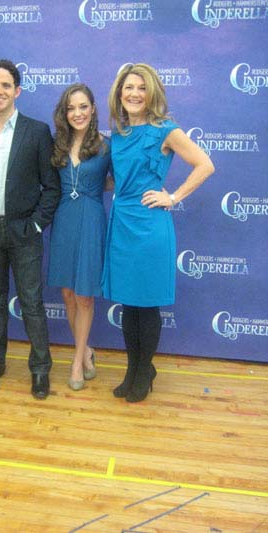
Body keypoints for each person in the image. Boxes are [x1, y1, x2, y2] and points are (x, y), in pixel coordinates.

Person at [102, 63, 214, 402]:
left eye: (141, 88)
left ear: (151, 93)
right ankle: (136, 369)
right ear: (119, 94)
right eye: (128, 87)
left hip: (150, 226)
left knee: (146, 304)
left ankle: (143, 370)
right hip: (121, 223)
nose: (134, 93)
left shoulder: (165, 129)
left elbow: (205, 164)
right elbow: (114, 180)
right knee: (129, 303)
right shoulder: (118, 134)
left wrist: (173, 196)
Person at [0, 59, 60, 399]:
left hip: (24, 233)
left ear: (17, 91)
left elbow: (52, 187)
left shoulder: (36, 132)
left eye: (6, 85)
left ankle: (40, 369)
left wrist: (35, 225)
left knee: (32, 302)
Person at [48, 84, 111, 391]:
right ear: (65, 112)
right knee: (68, 295)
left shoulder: (106, 145)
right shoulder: (57, 144)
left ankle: (77, 361)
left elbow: (120, 180)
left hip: (91, 220)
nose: (78, 113)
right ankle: (85, 350)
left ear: (93, 109)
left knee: (85, 294)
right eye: (72, 108)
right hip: (63, 219)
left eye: (83, 106)